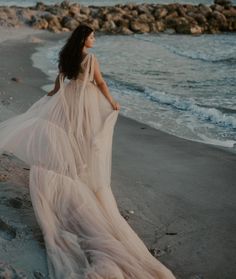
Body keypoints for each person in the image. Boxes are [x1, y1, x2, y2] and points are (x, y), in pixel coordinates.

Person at [0, 24, 176, 279]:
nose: (94, 39)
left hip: (68, 101)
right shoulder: (91, 58)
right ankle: (81, 170)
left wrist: (50, 97)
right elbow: (101, 82)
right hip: (87, 103)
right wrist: (112, 102)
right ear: (84, 38)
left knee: (70, 136)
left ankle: (76, 168)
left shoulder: (66, 55)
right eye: (92, 36)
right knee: (86, 138)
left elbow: (59, 84)